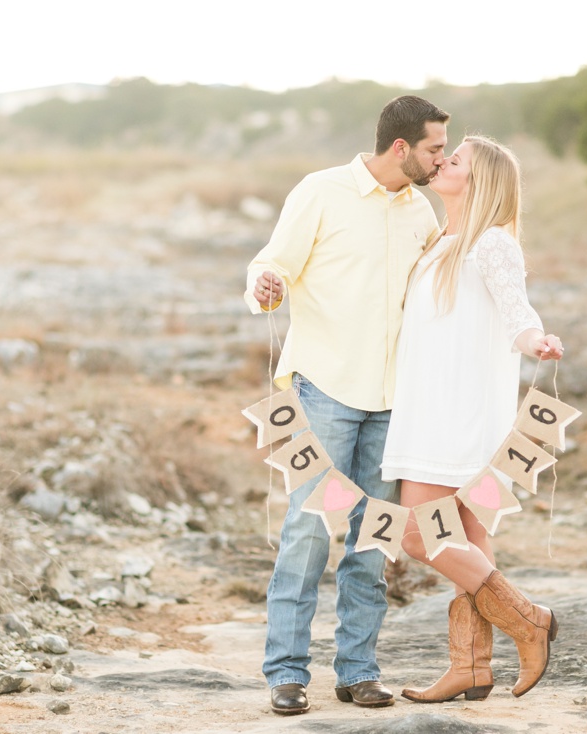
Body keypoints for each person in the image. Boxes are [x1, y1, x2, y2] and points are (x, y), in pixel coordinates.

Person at [244, 95, 449, 716]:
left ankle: (358, 671)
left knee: (373, 542)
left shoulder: (421, 213)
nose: (442, 160)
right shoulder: (321, 191)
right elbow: (270, 261)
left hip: (395, 402)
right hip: (325, 390)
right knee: (308, 532)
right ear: (400, 148)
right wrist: (265, 284)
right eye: (435, 148)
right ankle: (285, 671)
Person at [380, 135, 564, 703]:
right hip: (431, 405)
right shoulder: (443, 239)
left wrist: (535, 339)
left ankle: (529, 620)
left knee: (417, 535)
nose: (441, 162)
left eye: (453, 160)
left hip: (454, 415)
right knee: (470, 541)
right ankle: (472, 666)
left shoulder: (492, 243)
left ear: (479, 179)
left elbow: (517, 309)